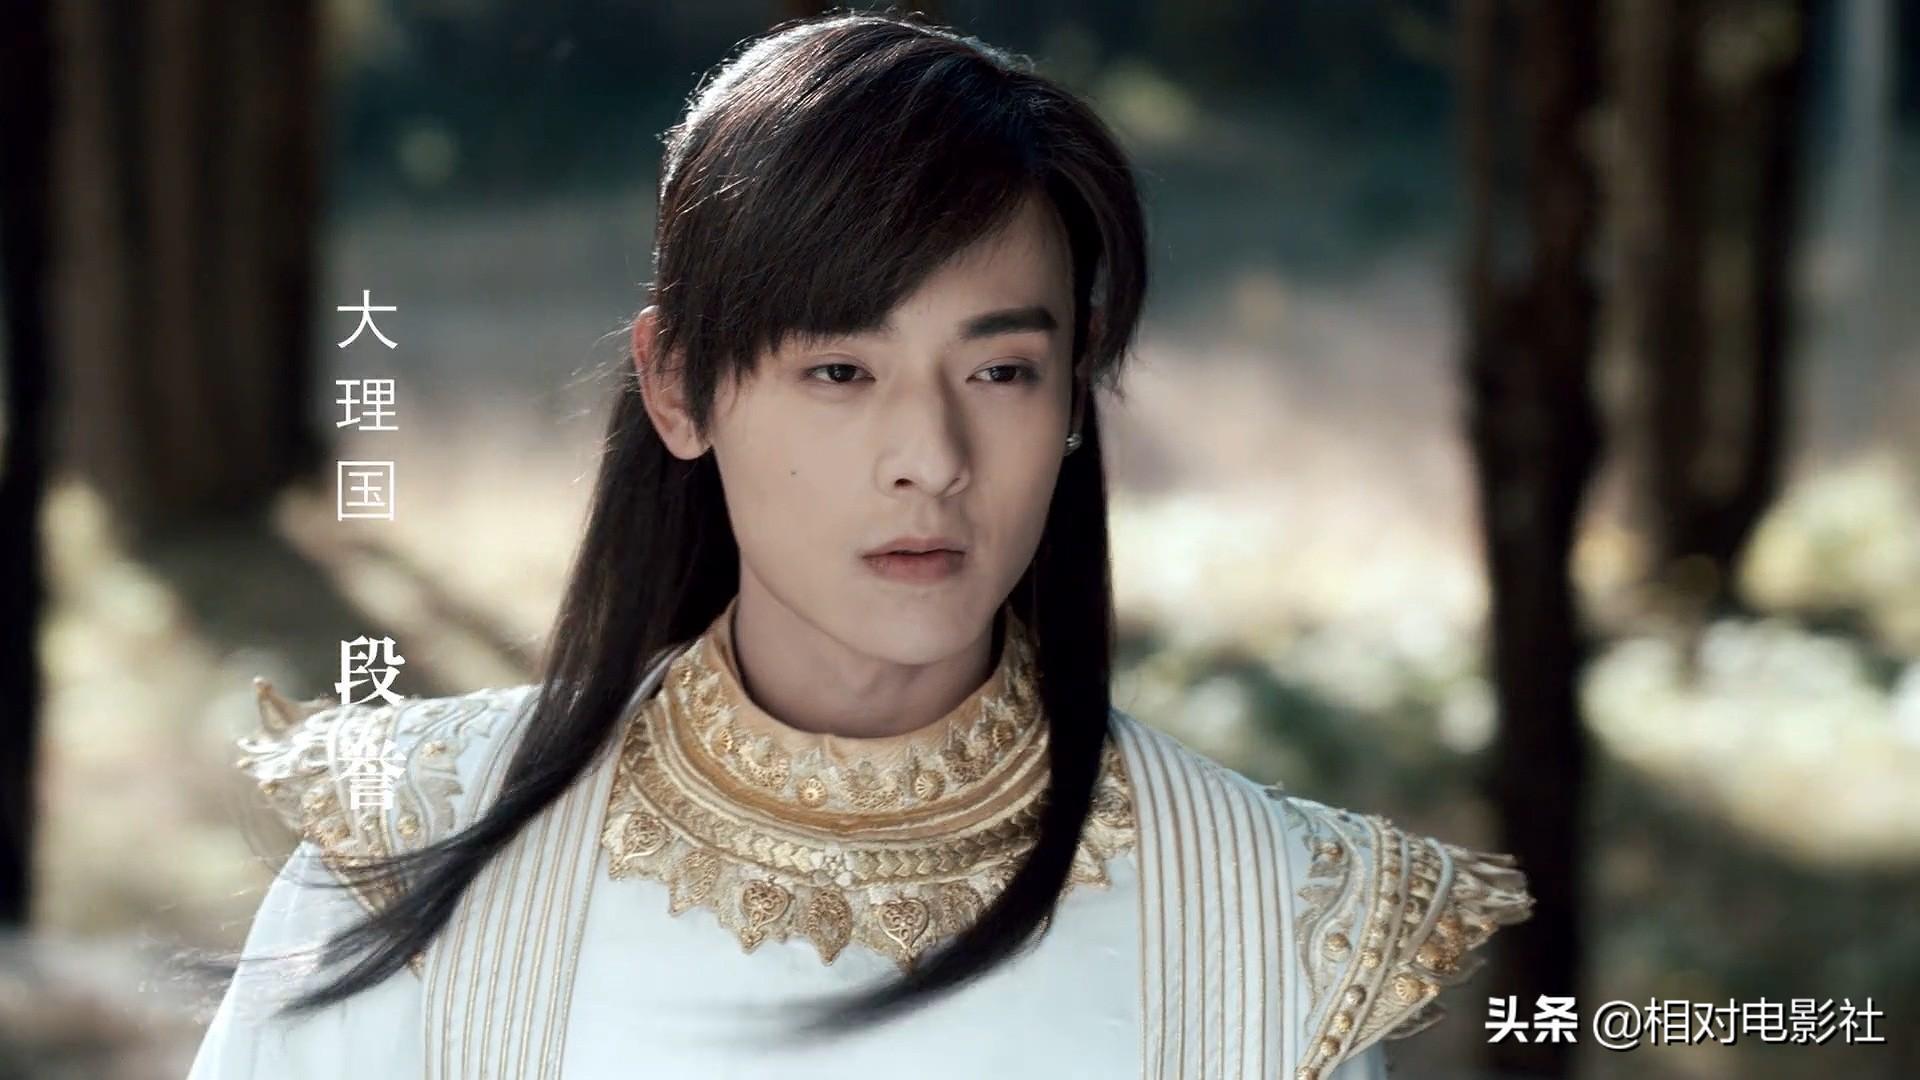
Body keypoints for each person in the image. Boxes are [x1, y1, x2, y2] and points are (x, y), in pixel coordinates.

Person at [188, 12, 1532, 1079]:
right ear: (678, 387)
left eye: (1000, 372)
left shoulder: (1267, 918)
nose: (931, 456)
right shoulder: (412, 852)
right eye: (840, 371)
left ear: (1072, 398)